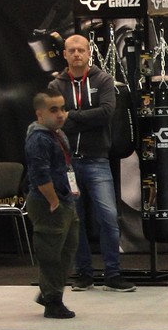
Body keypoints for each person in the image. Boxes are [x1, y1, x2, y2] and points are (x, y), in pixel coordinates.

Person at [48, 34, 135, 293]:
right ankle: (84, 273)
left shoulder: (103, 80)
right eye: (72, 50)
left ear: (89, 53)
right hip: (68, 163)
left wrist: (72, 117)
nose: (77, 54)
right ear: (65, 54)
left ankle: (112, 273)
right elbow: (54, 119)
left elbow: (107, 112)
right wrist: (83, 118)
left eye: (81, 50)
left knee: (108, 217)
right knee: (75, 219)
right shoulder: (56, 84)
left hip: (97, 160)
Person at [24, 92, 80, 320]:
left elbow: (63, 167)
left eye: (63, 108)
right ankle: (53, 301)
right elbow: (40, 174)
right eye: (54, 110)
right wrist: (53, 200)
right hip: (47, 202)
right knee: (51, 254)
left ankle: (50, 291)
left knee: (67, 249)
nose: (61, 114)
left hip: (64, 198)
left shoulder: (57, 134)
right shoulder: (39, 139)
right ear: (40, 114)